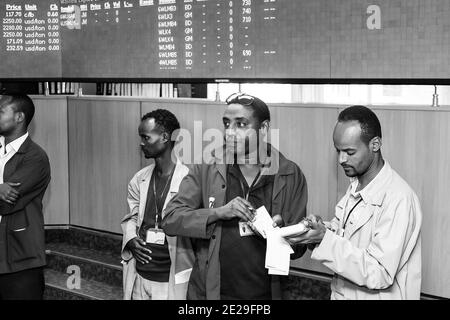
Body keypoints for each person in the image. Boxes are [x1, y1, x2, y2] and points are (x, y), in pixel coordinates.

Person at [162, 93, 308, 300]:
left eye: (241, 124)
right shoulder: (207, 167)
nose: (230, 132)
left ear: (264, 128)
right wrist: (218, 213)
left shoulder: (289, 174)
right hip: (211, 293)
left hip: (265, 294)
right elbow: (171, 219)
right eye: (226, 124)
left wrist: (282, 233)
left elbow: (300, 248)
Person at [286, 105, 422, 300]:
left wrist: (325, 239)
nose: (341, 159)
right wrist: (318, 230)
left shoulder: (398, 198)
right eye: (338, 151)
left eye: (349, 152)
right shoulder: (356, 187)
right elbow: (348, 239)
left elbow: (379, 272)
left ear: (374, 145)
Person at [121, 109, 195, 300]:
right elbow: (131, 216)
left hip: (169, 280)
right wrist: (130, 238)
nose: (141, 143)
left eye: (146, 137)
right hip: (139, 274)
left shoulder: (189, 180)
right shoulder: (139, 178)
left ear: (164, 137)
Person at [0, 94, 51, 300]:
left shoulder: (35, 157)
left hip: (21, 260)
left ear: (19, 117)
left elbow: (6, 203)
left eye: (1, 111)